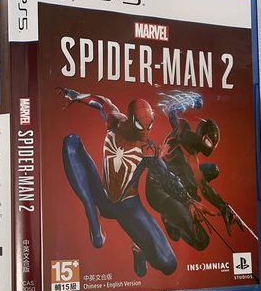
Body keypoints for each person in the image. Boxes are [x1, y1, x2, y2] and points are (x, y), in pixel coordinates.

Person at [57, 88, 204, 277]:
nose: (145, 133)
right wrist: (76, 96)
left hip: (128, 207)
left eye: (149, 127)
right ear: (130, 120)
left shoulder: (148, 150)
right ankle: (91, 211)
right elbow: (102, 101)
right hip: (103, 196)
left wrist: (188, 200)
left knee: (169, 265)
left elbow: (167, 178)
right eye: (140, 126)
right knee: (71, 142)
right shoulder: (115, 120)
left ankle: (138, 249)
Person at [146, 92, 242, 249]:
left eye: (214, 142)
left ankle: (181, 206)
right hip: (158, 188)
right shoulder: (183, 132)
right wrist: (191, 100)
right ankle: (169, 217)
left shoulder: (191, 154)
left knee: (212, 170)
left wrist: (223, 206)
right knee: (201, 241)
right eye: (208, 141)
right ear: (202, 136)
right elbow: (172, 111)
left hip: (177, 181)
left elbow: (203, 185)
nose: (210, 145)